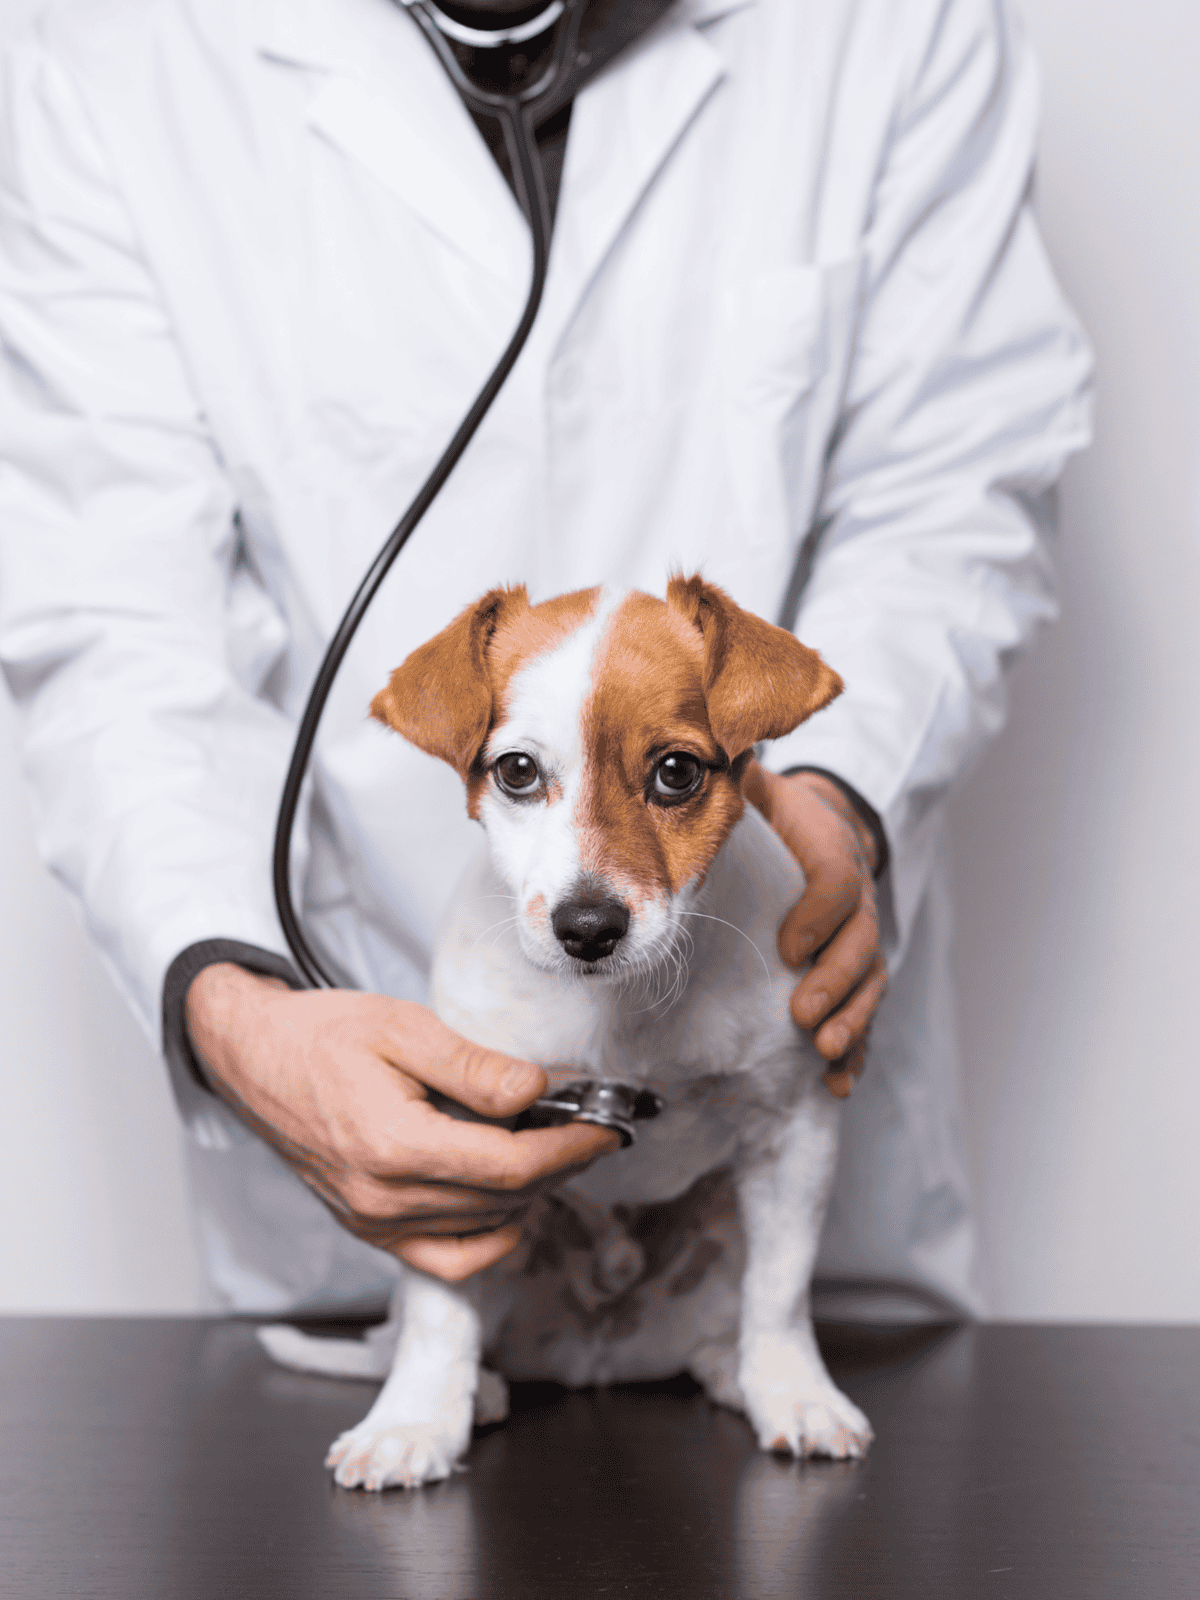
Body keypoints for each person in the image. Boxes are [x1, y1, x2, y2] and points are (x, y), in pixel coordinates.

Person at [0, 0, 1091, 1318]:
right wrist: (235, 1006)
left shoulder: (890, 23)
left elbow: (953, 490)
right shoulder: (118, 44)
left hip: (773, 1188)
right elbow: (110, 610)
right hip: (370, 1192)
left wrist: (843, 796)